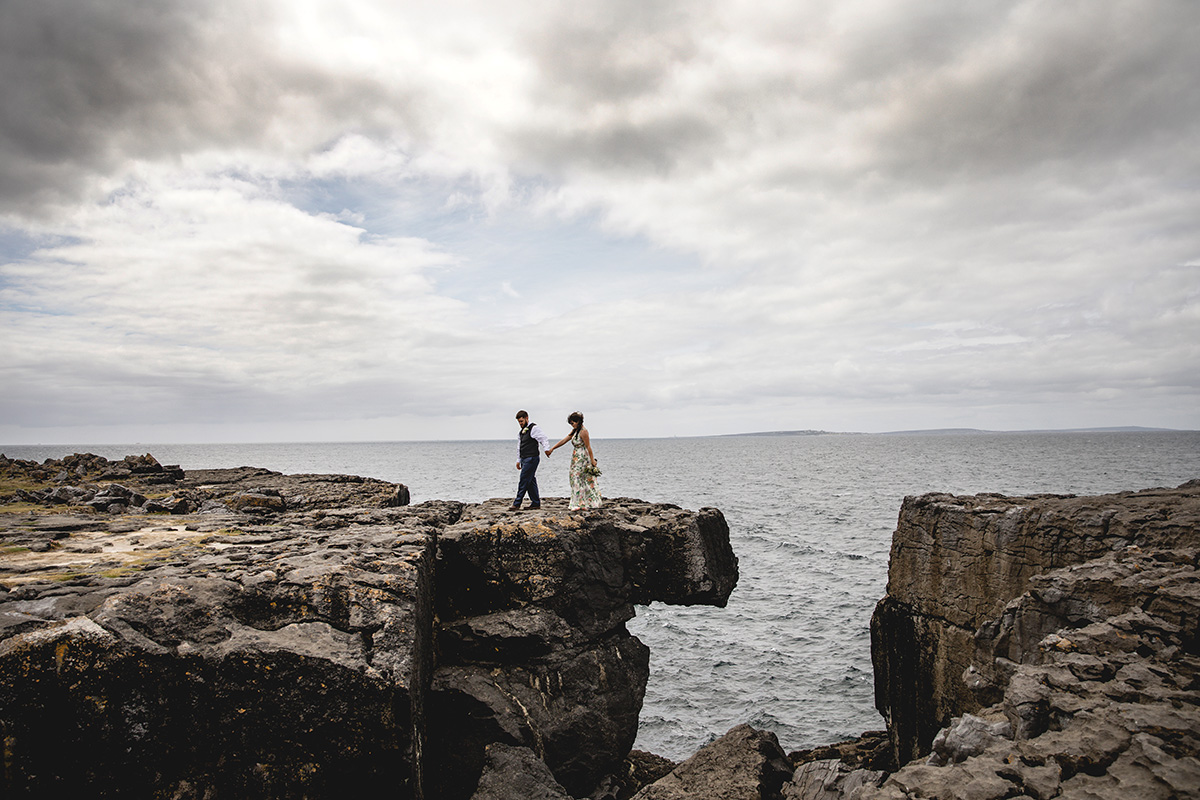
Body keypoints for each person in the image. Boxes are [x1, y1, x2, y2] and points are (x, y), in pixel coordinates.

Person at [546, 411, 601, 510]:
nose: (572, 425)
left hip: (583, 458)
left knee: (580, 479)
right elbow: (564, 440)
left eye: (573, 423)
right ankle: (579, 502)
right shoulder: (575, 431)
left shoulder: (583, 431)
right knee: (574, 479)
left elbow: (588, 447)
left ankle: (581, 504)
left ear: (578, 421)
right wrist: (552, 449)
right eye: (571, 423)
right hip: (576, 458)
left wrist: (592, 461)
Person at [512, 410, 552, 510]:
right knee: (530, 481)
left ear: (527, 418)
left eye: (521, 421)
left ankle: (517, 503)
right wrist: (518, 460)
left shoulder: (534, 428)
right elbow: (519, 446)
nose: (520, 423)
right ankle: (535, 503)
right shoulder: (521, 432)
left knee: (524, 480)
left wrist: (546, 449)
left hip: (532, 458)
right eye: (519, 422)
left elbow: (543, 438)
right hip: (524, 458)